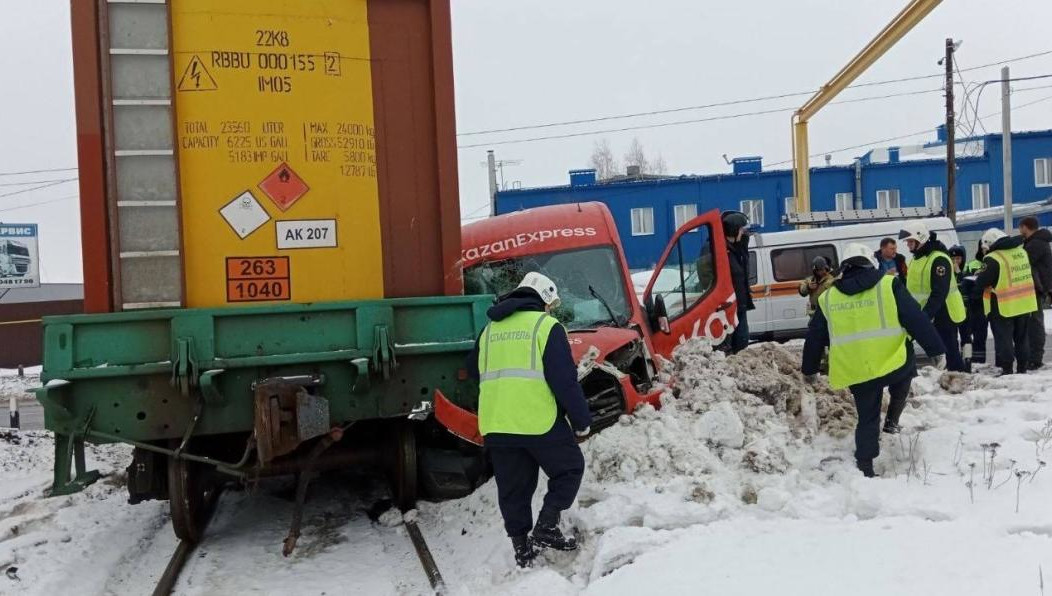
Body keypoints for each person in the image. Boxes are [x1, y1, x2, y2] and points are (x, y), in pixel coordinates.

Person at [467, 272, 592, 567]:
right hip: (537, 421)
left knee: (513, 489)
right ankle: (547, 526)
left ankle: (522, 550)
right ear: (544, 300)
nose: (551, 310)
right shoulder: (545, 327)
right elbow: (564, 381)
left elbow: (473, 369)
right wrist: (581, 421)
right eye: (551, 304)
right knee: (570, 469)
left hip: (498, 424)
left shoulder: (490, 330)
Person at [802, 243, 945, 478]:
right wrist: (936, 349)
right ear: (871, 263)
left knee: (867, 417)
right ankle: (891, 420)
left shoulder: (828, 297)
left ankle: (865, 466)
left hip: (856, 368)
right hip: (893, 362)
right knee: (906, 371)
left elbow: (815, 335)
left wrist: (809, 369)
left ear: (844, 267)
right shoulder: (889, 285)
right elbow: (915, 318)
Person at [898, 222, 968, 372]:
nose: (908, 245)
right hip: (929, 311)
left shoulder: (938, 259)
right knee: (939, 350)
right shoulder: (916, 259)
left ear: (920, 240)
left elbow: (939, 291)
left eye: (910, 241)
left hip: (945, 310)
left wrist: (926, 315)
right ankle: (947, 378)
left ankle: (958, 379)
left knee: (949, 350)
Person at [971, 228, 1039, 375]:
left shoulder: (993, 258)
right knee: (1022, 339)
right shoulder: (1021, 252)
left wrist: (975, 289)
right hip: (1025, 303)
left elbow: (982, 282)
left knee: (1004, 341)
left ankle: (1007, 369)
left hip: (1003, 306)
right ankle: (1022, 368)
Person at [1019, 216, 1052, 369]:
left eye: (1020, 228)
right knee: (1033, 322)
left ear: (1026, 227)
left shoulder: (1035, 244)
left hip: (1035, 288)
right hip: (1037, 287)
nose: (1020, 231)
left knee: (1035, 323)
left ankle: (1035, 358)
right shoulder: (1037, 242)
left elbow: (1024, 264)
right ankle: (1033, 356)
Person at [722, 211, 754, 353]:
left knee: (742, 339)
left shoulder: (737, 249)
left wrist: (744, 241)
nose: (743, 232)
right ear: (734, 230)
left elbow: (743, 268)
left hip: (740, 304)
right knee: (735, 342)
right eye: (741, 229)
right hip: (728, 305)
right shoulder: (721, 251)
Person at [962, 242, 989, 364]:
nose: (984, 250)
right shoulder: (972, 264)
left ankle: (980, 361)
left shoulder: (991, 262)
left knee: (981, 335)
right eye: (982, 248)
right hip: (974, 304)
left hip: (987, 303)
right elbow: (966, 282)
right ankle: (971, 360)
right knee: (970, 334)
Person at [948, 244, 973, 369]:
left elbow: (968, 287)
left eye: (958, 259)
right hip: (951, 310)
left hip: (966, 310)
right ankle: (955, 363)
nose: (955, 262)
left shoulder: (966, 272)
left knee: (966, 337)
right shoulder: (946, 274)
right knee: (952, 338)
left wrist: (959, 273)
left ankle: (967, 362)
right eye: (952, 260)